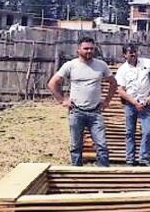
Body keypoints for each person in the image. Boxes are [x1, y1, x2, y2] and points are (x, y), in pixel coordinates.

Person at [47, 36, 117, 166]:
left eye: (91, 48)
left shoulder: (101, 65)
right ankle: (76, 174)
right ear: (78, 49)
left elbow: (113, 83)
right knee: (76, 145)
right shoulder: (70, 65)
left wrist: (107, 101)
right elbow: (52, 83)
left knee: (102, 145)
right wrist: (62, 100)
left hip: (95, 111)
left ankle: (103, 174)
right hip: (76, 111)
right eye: (86, 48)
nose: (89, 51)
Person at [115, 43, 150, 166]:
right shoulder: (122, 70)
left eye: (135, 51)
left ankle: (143, 159)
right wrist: (134, 103)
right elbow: (120, 90)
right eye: (130, 52)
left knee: (147, 131)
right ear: (125, 55)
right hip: (130, 104)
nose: (133, 54)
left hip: (146, 103)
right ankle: (130, 159)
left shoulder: (147, 63)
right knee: (130, 132)